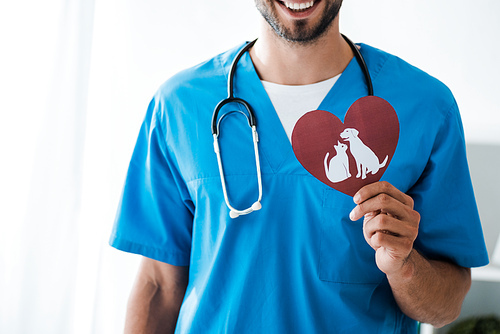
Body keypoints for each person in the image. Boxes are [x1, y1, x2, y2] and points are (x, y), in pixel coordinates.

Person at [110, 0, 489, 333]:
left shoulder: (425, 107)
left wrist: (404, 266)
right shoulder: (180, 105)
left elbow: (446, 305)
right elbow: (159, 286)